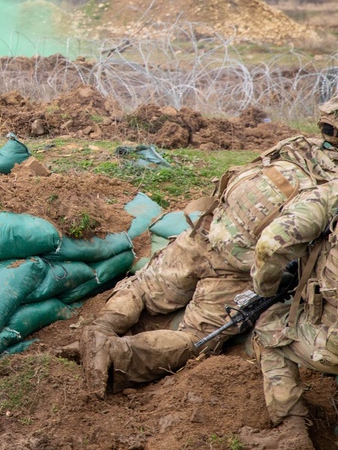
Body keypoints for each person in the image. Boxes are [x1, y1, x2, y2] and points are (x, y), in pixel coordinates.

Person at [79, 104, 338, 401]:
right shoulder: (331, 187)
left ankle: (100, 329)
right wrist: (267, 287)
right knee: (196, 339)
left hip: (204, 233)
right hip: (237, 270)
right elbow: (272, 245)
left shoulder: (294, 146)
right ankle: (116, 356)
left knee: (142, 287)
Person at [238, 179, 338, 450]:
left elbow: (271, 244)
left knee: (269, 329)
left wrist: (266, 288)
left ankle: (290, 433)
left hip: (332, 341)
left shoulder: (331, 194)